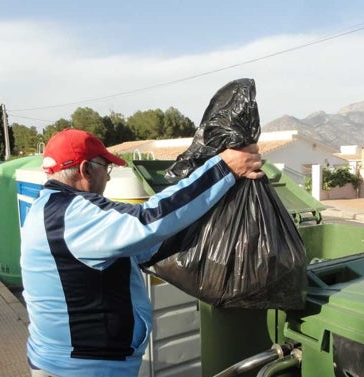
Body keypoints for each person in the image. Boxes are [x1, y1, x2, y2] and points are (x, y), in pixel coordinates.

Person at [20, 128, 263, 377]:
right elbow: (149, 219)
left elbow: (136, 248)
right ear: (86, 169)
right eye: (107, 168)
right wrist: (224, 169)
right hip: (85, 369)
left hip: (63, 362)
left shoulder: (46, 208)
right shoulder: (73, 215)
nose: (109, 178)